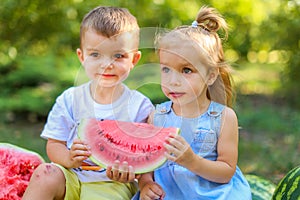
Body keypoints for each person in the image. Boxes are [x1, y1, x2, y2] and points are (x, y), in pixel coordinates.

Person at [22, 6, 153, 200]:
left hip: (112, 185)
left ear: (134, 59)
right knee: (44, 174)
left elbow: (147, 159)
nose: (106, 64)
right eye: (95, 54)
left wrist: (136, 175)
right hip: (70, 176)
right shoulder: (69, 99)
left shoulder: (140, 107)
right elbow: (54, 144)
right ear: (81, 57)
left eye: (118, 56)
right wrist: (68, 158)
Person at [135, 6, 252, 200]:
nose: (173, 80)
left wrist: (192, 162)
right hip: (169, 194)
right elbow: (147, 162)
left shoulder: (223, 117)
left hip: (213, 195)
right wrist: (146, 183)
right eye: (166, 70)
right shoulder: (158, 116)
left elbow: (226, 171)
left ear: (211, 75)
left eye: (186, 70)